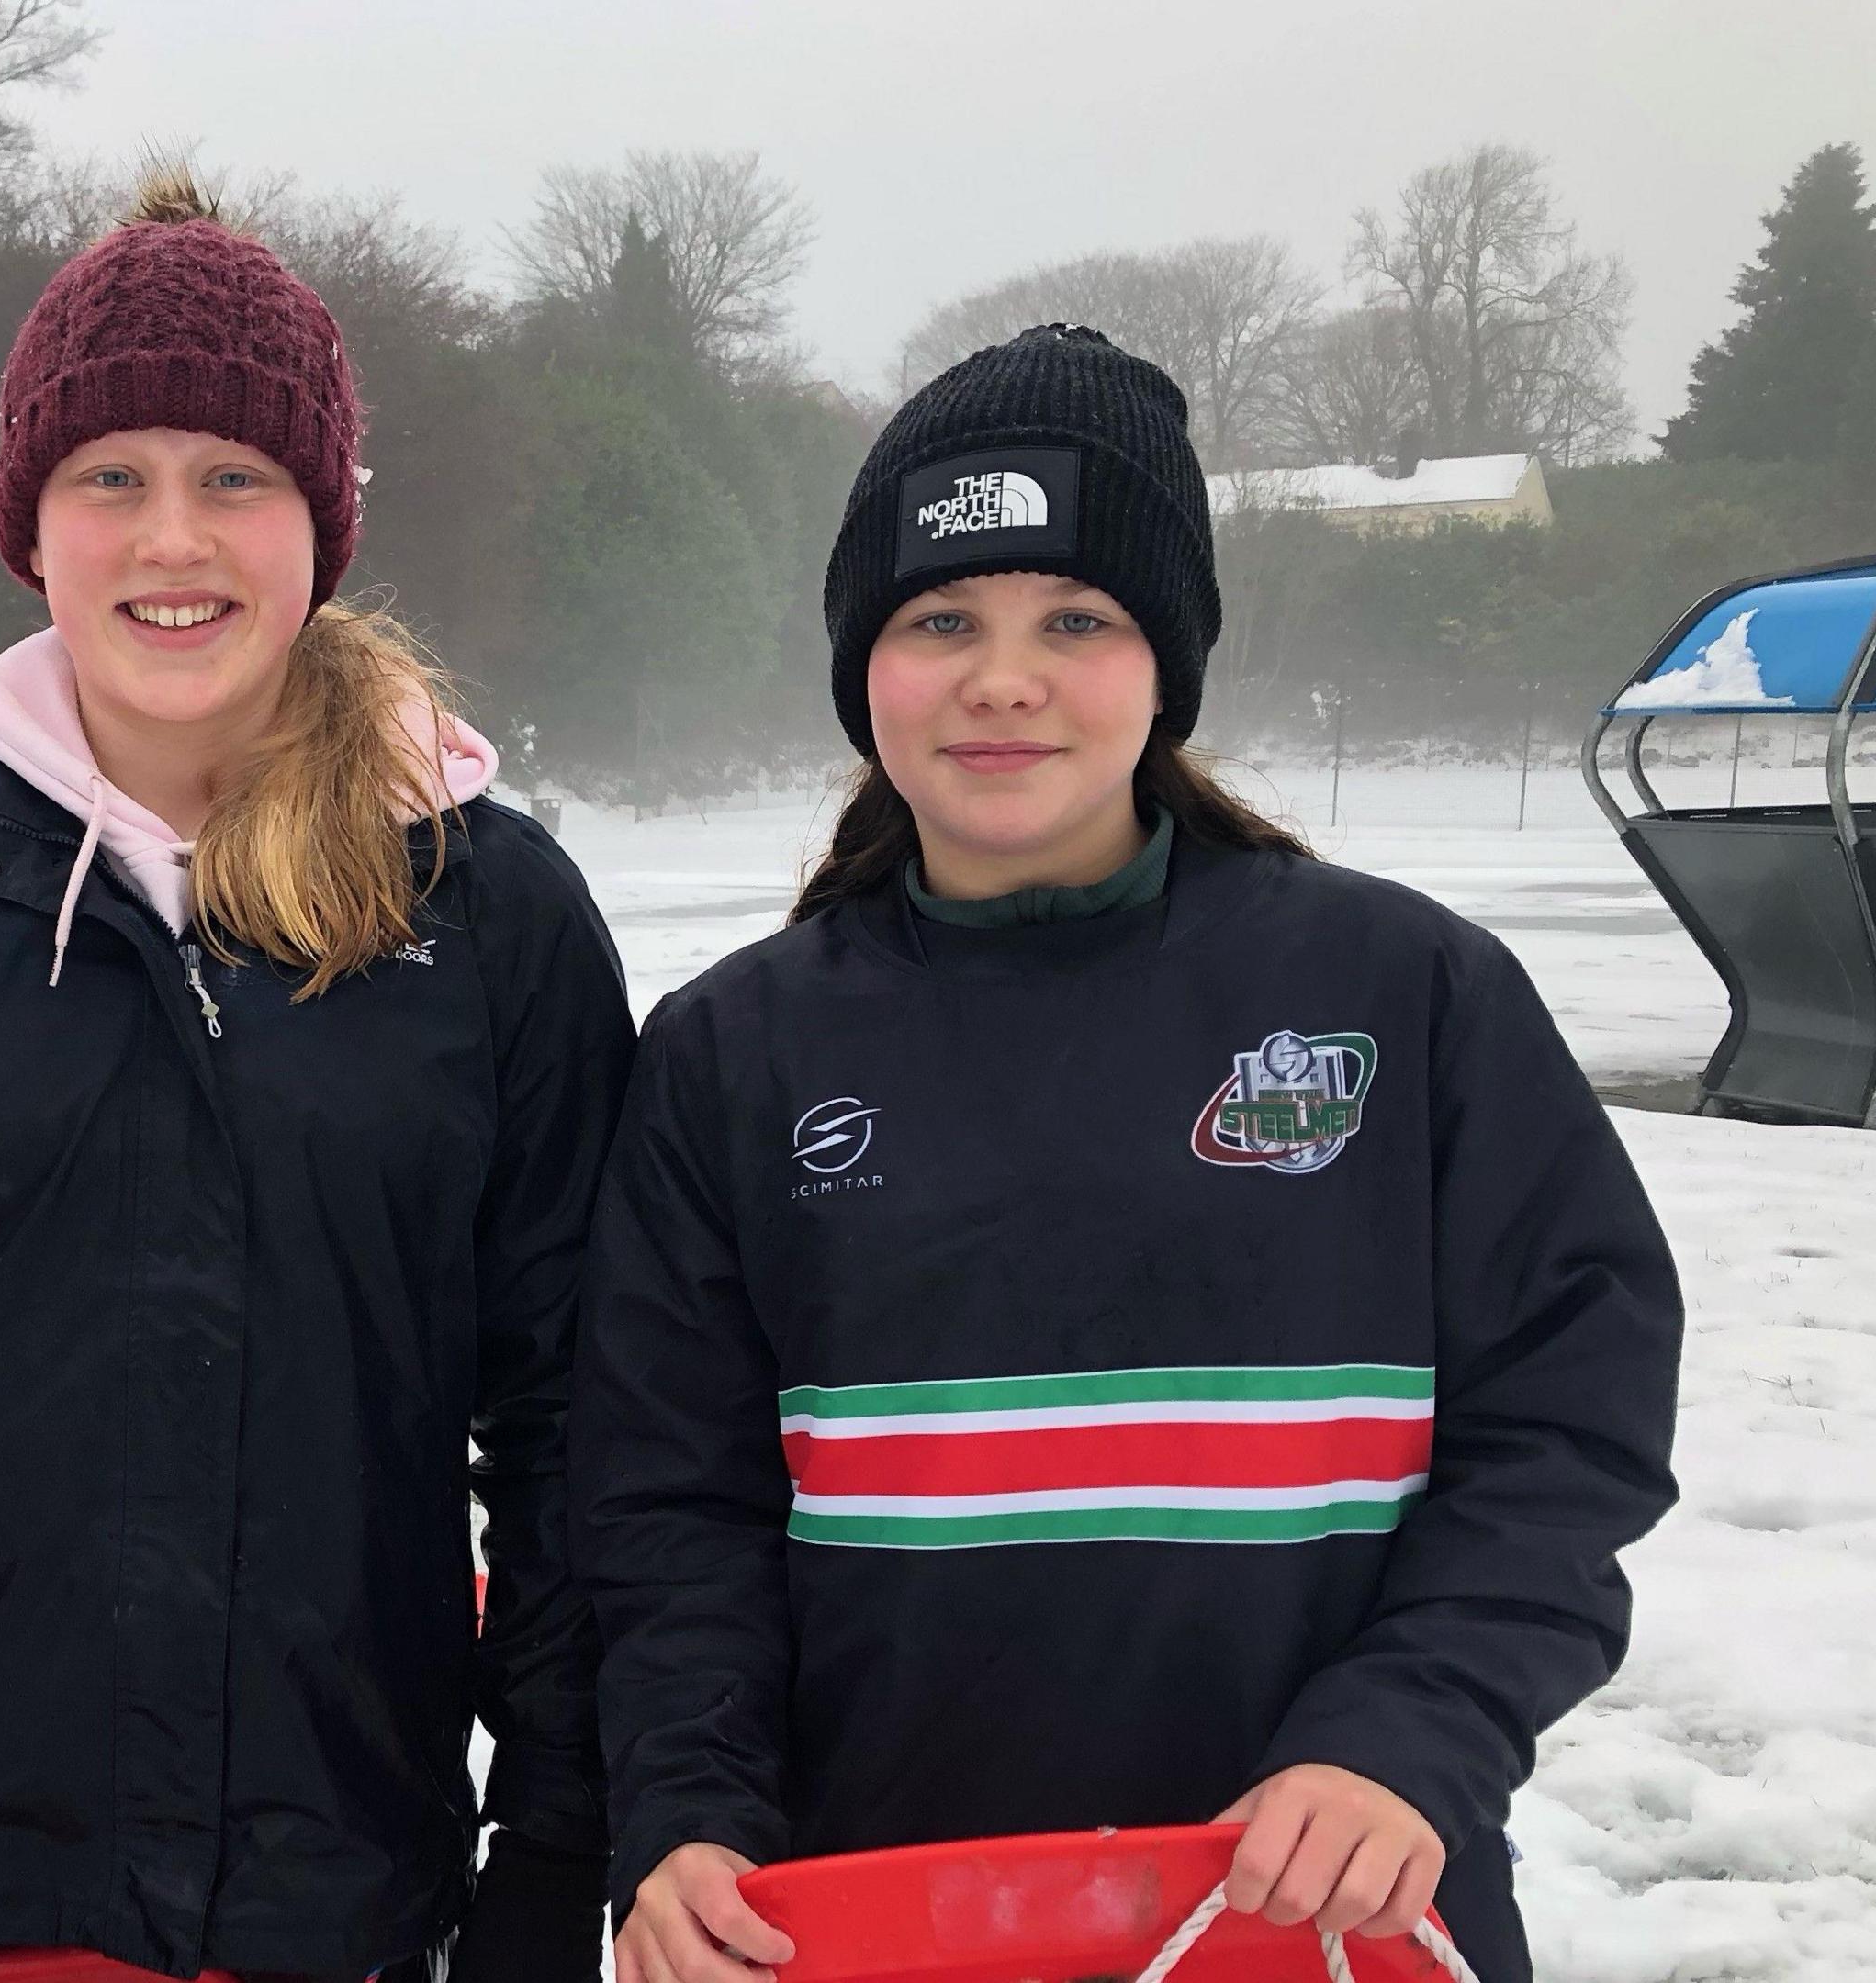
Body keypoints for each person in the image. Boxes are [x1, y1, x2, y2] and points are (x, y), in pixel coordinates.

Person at [571, 326, 1682, 1983]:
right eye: (940, 617)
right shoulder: (737, 1052)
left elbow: (1567, 1426)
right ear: (862, 663)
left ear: (1167, 665)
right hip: (878, 1913)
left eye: (1076, 620)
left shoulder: (1407, 992)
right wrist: (686, 1812)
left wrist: (1411, 1731)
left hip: (1320, 1905)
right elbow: (670, 1508)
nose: (1001, 678)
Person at [0, 173, 637, 1983]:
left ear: (319, 524)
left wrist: (555, 1843)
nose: (173, 537)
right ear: (35, 526)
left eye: (232, 479)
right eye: (115, 478)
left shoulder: (492, 914)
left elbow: (578, 1419)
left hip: (350, 1909)